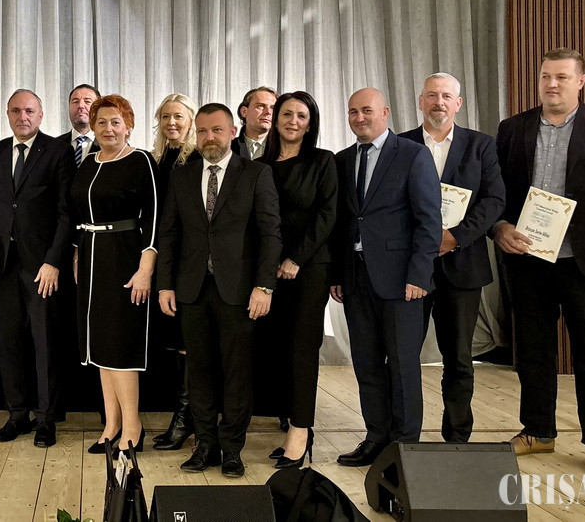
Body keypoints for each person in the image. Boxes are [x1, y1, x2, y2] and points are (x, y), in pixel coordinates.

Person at [494, 48, 585, 476]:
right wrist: (499, 227)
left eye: (561, 77)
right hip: (528, 258)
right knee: (533, 350)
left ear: (581, 81)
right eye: (546, 76)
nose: (552, 84)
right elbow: (497, 191)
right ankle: (538, 431)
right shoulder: (512, 129)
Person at [157, 103, 281, 478]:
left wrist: (264, 286)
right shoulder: (182, 176)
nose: (209, 137)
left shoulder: (256, 173)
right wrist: (165, 284)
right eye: (203, 131)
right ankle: (205, 445)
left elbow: (270, 234)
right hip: (191, 290)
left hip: (240, 291)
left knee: (236, 373)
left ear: (232, 132)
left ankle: (231, 449)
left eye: (217, 130)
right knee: (199, 372)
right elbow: (170, 234)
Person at [330, 88, 441, 467]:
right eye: (353, 112)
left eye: (366, 110)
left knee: (403, 364)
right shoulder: (343, 160)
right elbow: (342, 223)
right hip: (356, 278)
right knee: (366, 363)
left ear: (385, 112)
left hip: (402, 280)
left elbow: (429, 219)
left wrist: (420, 275)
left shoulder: (412, 154)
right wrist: (338, 274)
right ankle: (375, 438)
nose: (359, 118)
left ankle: (405, 446)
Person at [400, 73, 505, 443]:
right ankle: (401, 436)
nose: (439, 102)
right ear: (420, 101)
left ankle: (458, 437)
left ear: (458, 103)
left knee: (459, 358)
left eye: (446, 96)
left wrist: (456, 236)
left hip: (463, 266)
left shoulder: (480, 145)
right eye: (432, 95)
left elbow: (494, 200)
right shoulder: (401, 145)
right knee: (402, 356)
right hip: (410, 267)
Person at [0, 89, 76, 448]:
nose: (23, 117)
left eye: (29, 111)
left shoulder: (58, 151)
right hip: (4, 265)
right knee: (8, 343)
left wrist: (54, 261)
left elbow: (66, 213)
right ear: (8, 114)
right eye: (16, 110)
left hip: (42, 266)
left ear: (41, 115)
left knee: (45, 343)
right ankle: (17, 414)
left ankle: (47, 418)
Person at [71, 94, 159, 454]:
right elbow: (78, 213)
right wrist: (77, 253)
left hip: (125, 258)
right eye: (102, 122)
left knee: (121, 347)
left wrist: (145, 268)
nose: (108, 128)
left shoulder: (141, 161)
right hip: (91, 258)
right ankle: (111, 425)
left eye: (116, 122)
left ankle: (133, 427)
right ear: (93, 127)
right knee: (100, 347)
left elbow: (155, 216)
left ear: (129, 126)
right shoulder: (87, 163)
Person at [258, 91, 338, 468]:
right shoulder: (260, 165)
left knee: (303, 349)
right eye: (287, 114)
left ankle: (300, 431)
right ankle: (292, 422)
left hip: (309, 268)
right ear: (275, 120)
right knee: (278, 349)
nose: (293, 121)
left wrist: (295, 259)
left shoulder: (323, 161)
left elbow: (328, 215)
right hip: (269, 269)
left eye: (301, 116)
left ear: (310, 124)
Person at [149, 93, 201, 452]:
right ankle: (184, 417)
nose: (171, 123)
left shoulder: (197, 158)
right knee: (176, 342)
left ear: (191, 120)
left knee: (188, 342)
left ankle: (186, 420)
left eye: (178, 116)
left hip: (189, 261)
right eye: (165, 116)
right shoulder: (155, 159)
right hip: (162, 259)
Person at [57, 84, 101, 165]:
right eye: (75, 102)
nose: (80, 105)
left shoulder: (109, 145)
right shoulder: (55, 145)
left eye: (87, 101)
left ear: (98, 109)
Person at [232, 86, 278, 160]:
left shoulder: (285, 149)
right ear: (244, 111)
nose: (268, 112)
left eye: (273, 108)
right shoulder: (228, 148)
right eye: (261, 106)